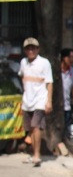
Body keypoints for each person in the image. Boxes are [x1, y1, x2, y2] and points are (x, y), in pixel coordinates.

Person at [18, 38, 53, 167]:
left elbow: (49, 83)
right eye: (28, 48)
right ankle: (33, 154)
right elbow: (22, 77)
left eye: (33, 48)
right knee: (30, 129)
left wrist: (49, 101)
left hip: (40, 100)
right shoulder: (23, 62)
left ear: (38, 49)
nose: (31, 50)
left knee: (35, 126)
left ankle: (37, 155)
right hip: (27, 100)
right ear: (25, 50)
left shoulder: (44, 63)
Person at [60, 48, 73, 131]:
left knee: (65, 129)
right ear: (64, 57)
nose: (72, 60)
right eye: (70, 57)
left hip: (66, 106)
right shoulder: (56, 70)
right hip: (54, 106)